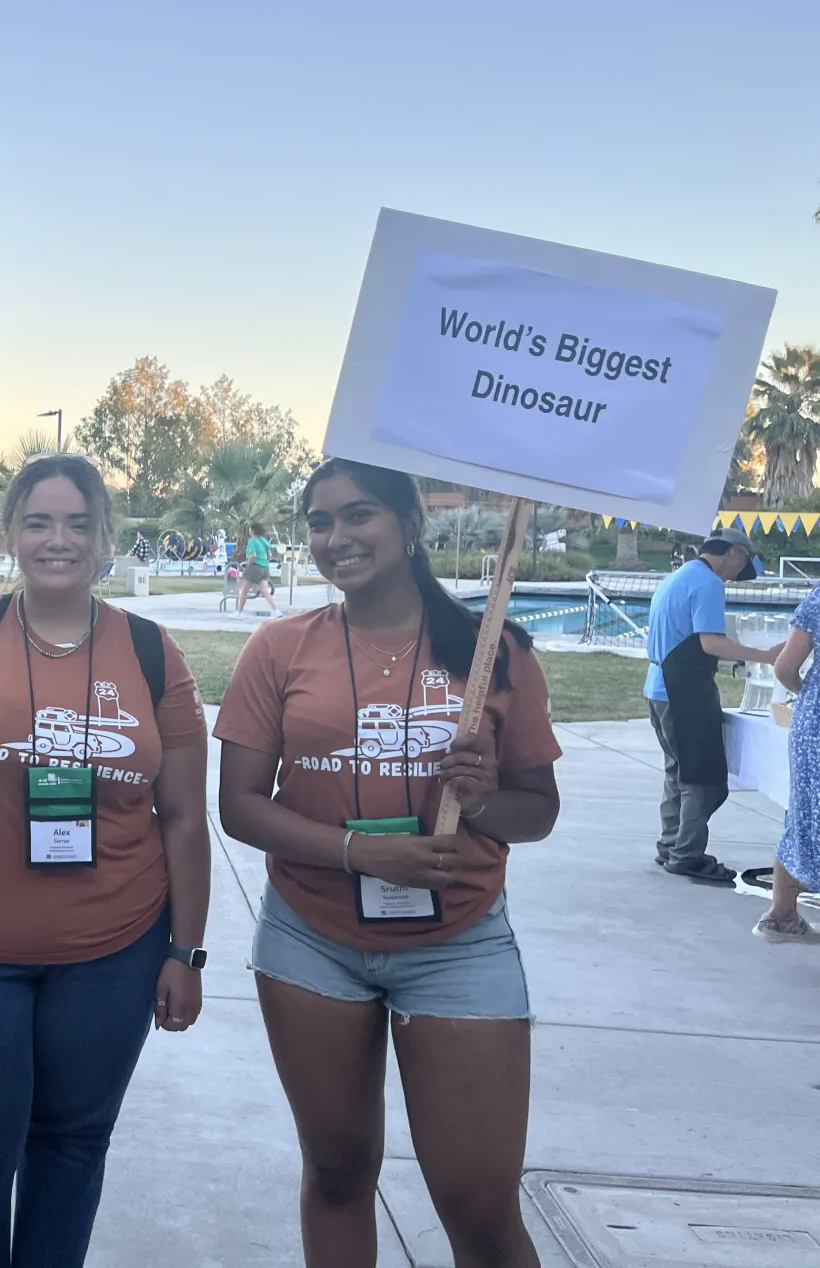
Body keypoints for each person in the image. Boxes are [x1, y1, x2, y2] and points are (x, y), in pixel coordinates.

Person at [216, 459, 561, 1268]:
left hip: (460, 942)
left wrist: (477, 802)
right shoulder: (279, 649)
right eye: (319, 521)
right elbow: (240, 806)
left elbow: (536, 812)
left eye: (359, 515)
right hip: (312, 939)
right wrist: (362, 851)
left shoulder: (493, 651)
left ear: (410, 526)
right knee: (337, 1174)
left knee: (478, 1202)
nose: (336, 537)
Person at [0, 452, 211, 1266]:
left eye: (76, 522)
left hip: (114, 953)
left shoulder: (153, 653)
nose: (57, 539)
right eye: (37, 521)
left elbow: (183, 819)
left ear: (104, 536)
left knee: (71, 1150)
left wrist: (186, 951)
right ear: (8, 534)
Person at [645, 526, 784, 885]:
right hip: (684, 691)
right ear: (735, 552)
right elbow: (711, 643)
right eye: (743, 566)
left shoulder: (677, 576)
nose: (738, 575)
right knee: (703, 780)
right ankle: (687, 856)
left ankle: (670, 845)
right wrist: (764, 656)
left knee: (677, 772)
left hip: (658, 686)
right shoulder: (709, 583)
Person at [762, 591, 820, 943]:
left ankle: (781, 914)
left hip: (814, 724)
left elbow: (784, 667)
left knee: (803, 813)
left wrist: (809, 695)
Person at [237, 519, 277, 614]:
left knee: (244, 591)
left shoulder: (252, 541)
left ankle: (239, 612)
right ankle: (275, 611)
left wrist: (248, 563)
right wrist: (265, 562)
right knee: (265, 591)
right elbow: (270, 555)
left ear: (253, 531)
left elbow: (253, 555)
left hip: (255, 566)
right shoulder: (264, 541)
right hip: (265, 567)